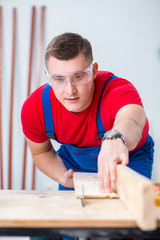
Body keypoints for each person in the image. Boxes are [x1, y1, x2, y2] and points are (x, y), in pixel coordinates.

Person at [21, 32, 154, 240]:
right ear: (48, 75)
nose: (70, 90)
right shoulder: (35, 107)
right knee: (59, 228)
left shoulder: (117, 90)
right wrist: (60, 176)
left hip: (129, 160)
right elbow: (41, 151)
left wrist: (116, 138)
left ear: (93, 71)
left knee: (128, 226)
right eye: (59, 79)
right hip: (75, 163)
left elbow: (133, 121)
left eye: (78, 76)